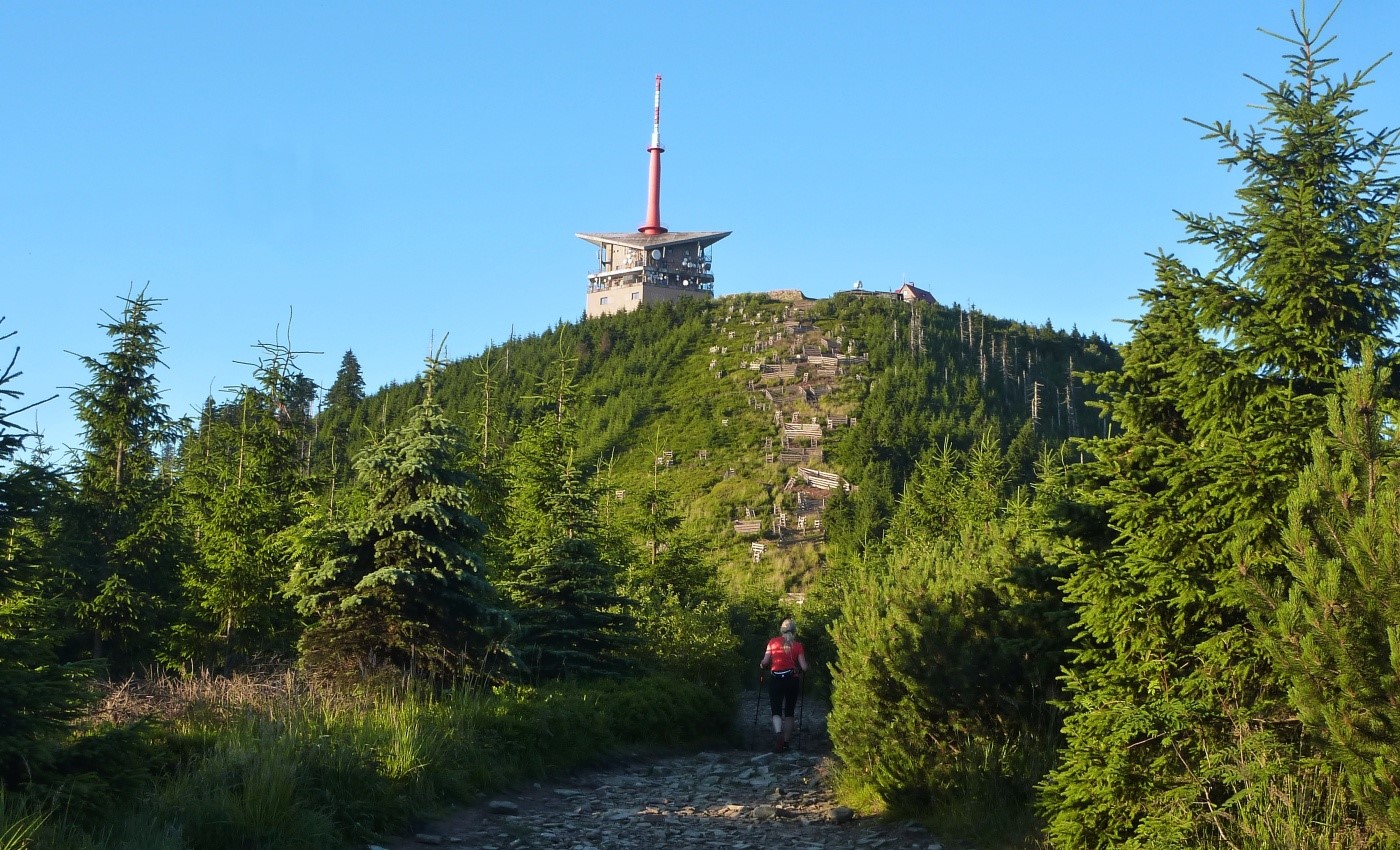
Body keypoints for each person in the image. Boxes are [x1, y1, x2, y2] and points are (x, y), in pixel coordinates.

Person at [759, 618, 808, 752]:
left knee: (776, 709)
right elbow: (804, 667)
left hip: (776, 679)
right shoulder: (798, 645)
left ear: (781, 629)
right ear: (794, 631)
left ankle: (778, 733)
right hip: (792, 679)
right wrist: (801, 669)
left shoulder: (772, 642)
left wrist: (762, 665)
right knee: (789, 711)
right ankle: (786, 742)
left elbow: (765, 661)